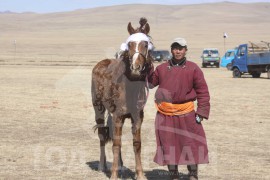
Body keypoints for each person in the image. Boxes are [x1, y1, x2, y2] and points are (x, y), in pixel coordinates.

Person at [148, 37, 210, 180]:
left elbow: (203, 91)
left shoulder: (193, 68)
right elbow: (151, 83)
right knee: (169, 144)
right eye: (175, 48)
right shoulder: (161, 69)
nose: (178, 51)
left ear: (185, 50)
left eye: (181, 48)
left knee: (191, 143)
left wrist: (201, 112)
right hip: (166, 114)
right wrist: (147, 67)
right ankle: (173, 175)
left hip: (187, 113)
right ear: (171, 50)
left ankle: (193, 175)